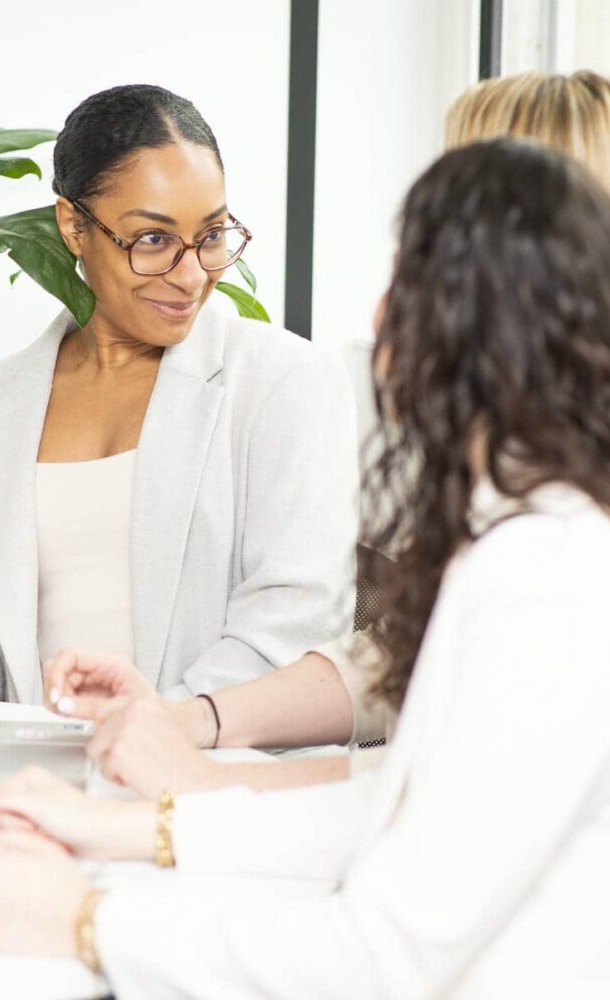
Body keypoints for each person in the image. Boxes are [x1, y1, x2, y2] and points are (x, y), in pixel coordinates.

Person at [0, 138, 610, 996]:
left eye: (406, 281)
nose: (380, 315)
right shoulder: (522, 542)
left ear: (471, 323)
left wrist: (87, 923)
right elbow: (388, 810)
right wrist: (118, 830)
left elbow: (385, 956)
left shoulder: (550, 580)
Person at [34, 69, 610, 799]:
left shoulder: (556, 550)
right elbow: (410, 663)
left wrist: (184, 792)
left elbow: (423, 828)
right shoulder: (478, 460)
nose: (386, 314)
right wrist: (193, 724)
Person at [0, 84, 358, 718]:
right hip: (35, 769)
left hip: (215, 776)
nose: (190, 274)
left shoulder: (289, 385)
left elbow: (295, 624)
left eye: (210, 235)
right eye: (152, 240)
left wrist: (153, 731)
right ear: (73, 225)